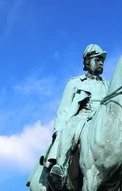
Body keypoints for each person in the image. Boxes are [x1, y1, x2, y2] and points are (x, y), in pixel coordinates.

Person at [46, 44, 109, 183]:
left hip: (103, 119)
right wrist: (58, 130)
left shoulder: (108, 85)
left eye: (102, 60)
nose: (101, 62)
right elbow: (63, 108)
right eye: (97, 59)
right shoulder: (75, 83)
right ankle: (61, 166)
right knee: (71, 127)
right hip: (83, 116)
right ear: (87, 61)